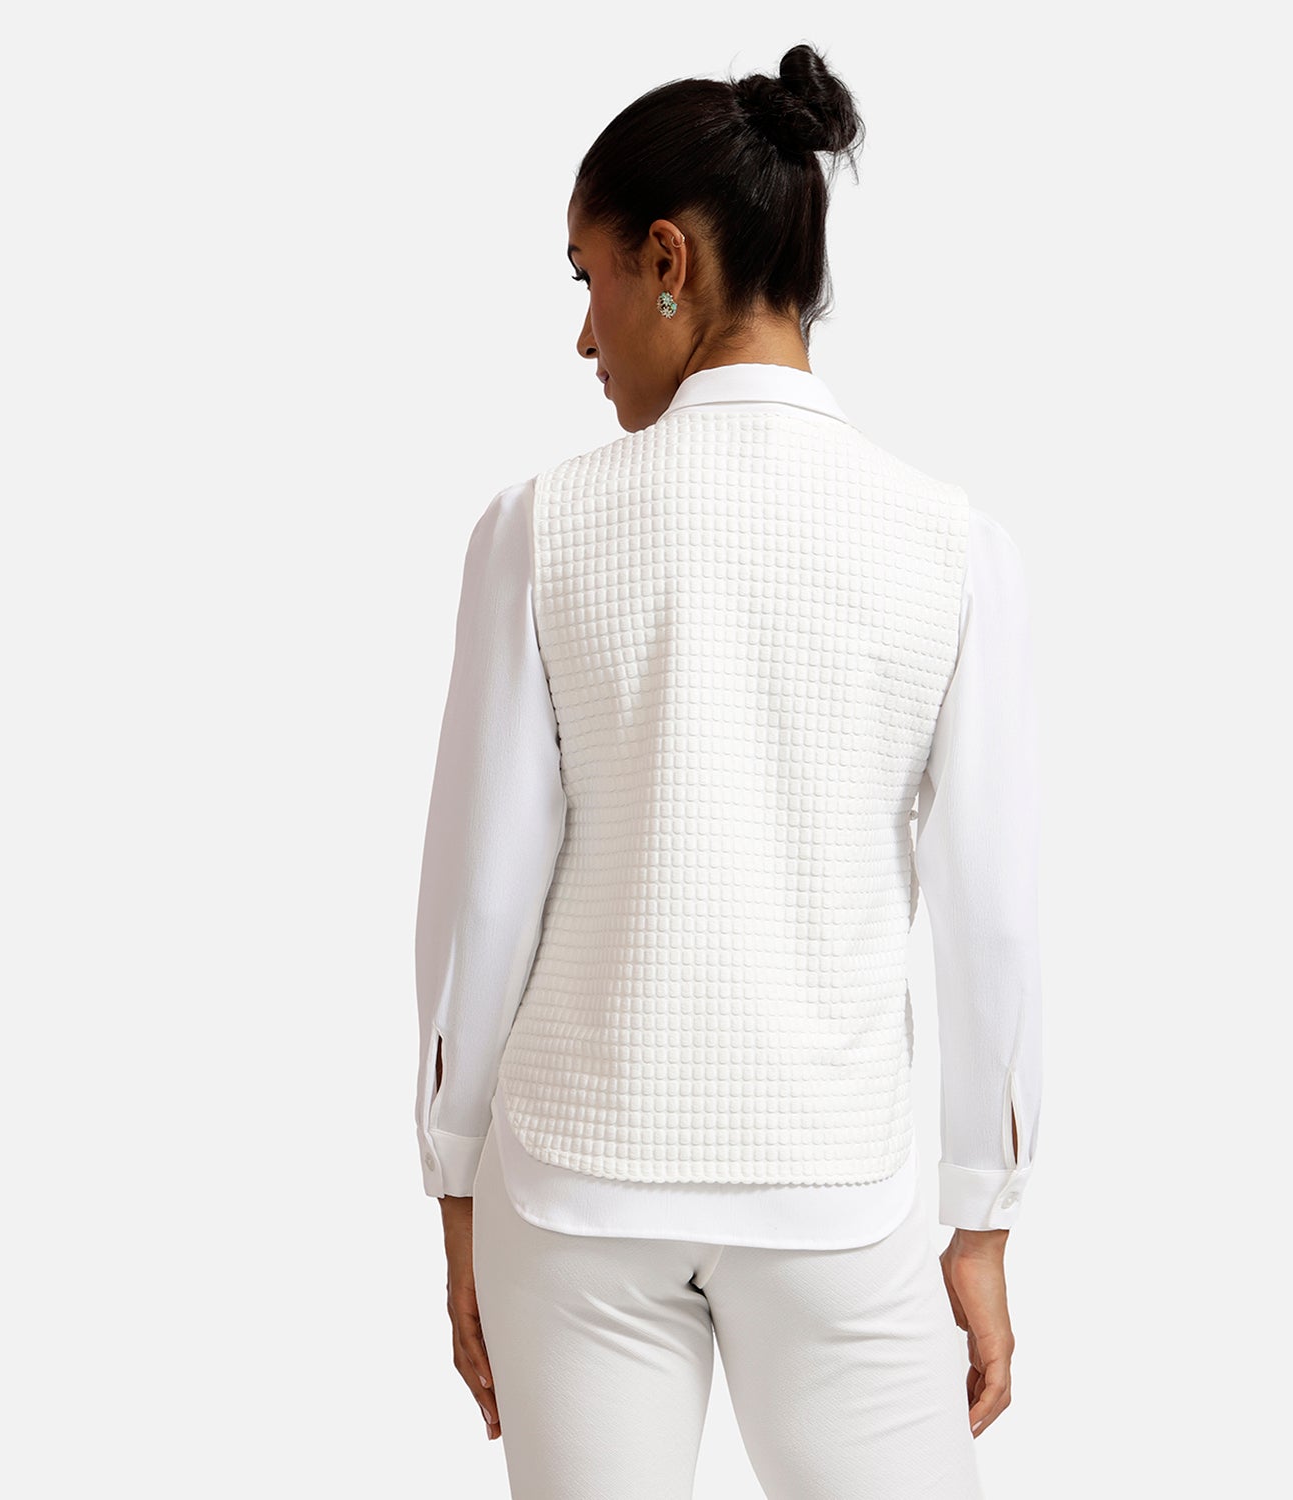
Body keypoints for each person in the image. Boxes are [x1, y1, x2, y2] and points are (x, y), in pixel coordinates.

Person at [413, 41, 1042, 1500]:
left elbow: (481, 897)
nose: (583, 337)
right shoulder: (953, 549)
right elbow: (993, 914)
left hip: (574, 1190)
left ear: (667, 262)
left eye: (588, 279)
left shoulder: (538, 529)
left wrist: (454, 1181)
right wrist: (982, 1215)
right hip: (833, 1195)